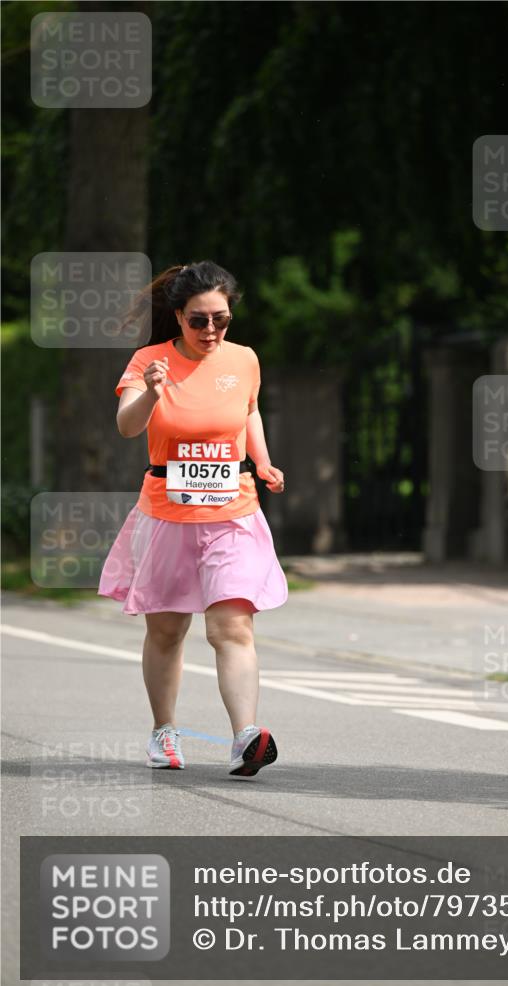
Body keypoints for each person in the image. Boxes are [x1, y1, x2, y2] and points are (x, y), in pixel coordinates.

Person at [98, 261, 288, 777]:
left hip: (233, 510)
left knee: (233, 627)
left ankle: (245, 736)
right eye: (199, 320)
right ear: (178, 316)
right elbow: (125, 425)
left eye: (221, 320)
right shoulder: (148, 361)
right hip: (166, 514)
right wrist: (154, 392)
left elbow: (248, 409)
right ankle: (164, 730)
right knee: (167, 630)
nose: (211, 331)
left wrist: (263, 460)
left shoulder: (244, 359)